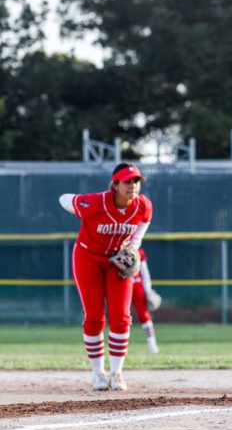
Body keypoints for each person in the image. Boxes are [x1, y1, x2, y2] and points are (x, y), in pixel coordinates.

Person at [59, 163, 153, 391]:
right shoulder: (95, 202)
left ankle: (116, 373)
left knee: (121, 317)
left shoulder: (143, 205)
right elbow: (63, 198)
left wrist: (134, 245)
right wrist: (77, 207)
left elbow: (143, 225)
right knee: (94, 317)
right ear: (115, 184)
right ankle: (98, 374)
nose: (133, 186)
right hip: (88, 259)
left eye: (136, 181)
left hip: (116, 262)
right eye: (127, 181)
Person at [131, 247, 161, 354]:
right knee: (116, 316)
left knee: (144, 315)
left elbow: (144, 271)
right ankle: (117, 347)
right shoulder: (114, 246)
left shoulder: (138, 249)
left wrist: (148, 290)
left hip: (136, 283)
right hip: (119, 282)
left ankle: (153, 345)